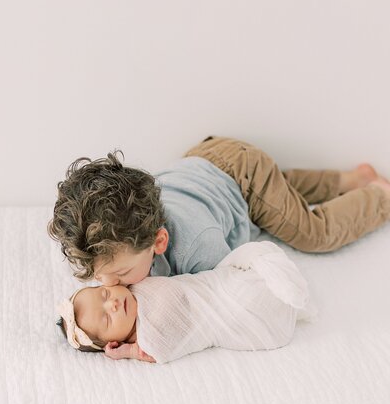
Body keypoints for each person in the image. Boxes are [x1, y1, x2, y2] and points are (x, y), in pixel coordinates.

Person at [49, 135, 390, 361]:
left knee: (310, 231)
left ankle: (379, 196)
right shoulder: (116, 236)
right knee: (284, 193)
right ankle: (349, 181)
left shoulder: (199, 246)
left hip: (245, 179)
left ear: (159, 242)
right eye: (100, 278)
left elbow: (220, 295)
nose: (111, 286)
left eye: (121, 274)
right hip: (205, 162)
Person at [57, 241, 315, 364]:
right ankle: (284, 289)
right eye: (107, 319)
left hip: (221, 283)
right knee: (256, 292)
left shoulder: (137, 284)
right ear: (115, 342)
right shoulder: (147, 338)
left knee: (256, 254)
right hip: (237, 315)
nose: (112, 305)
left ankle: (280, 279)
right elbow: (165, 346)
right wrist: (131, 351)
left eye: (104, 295)